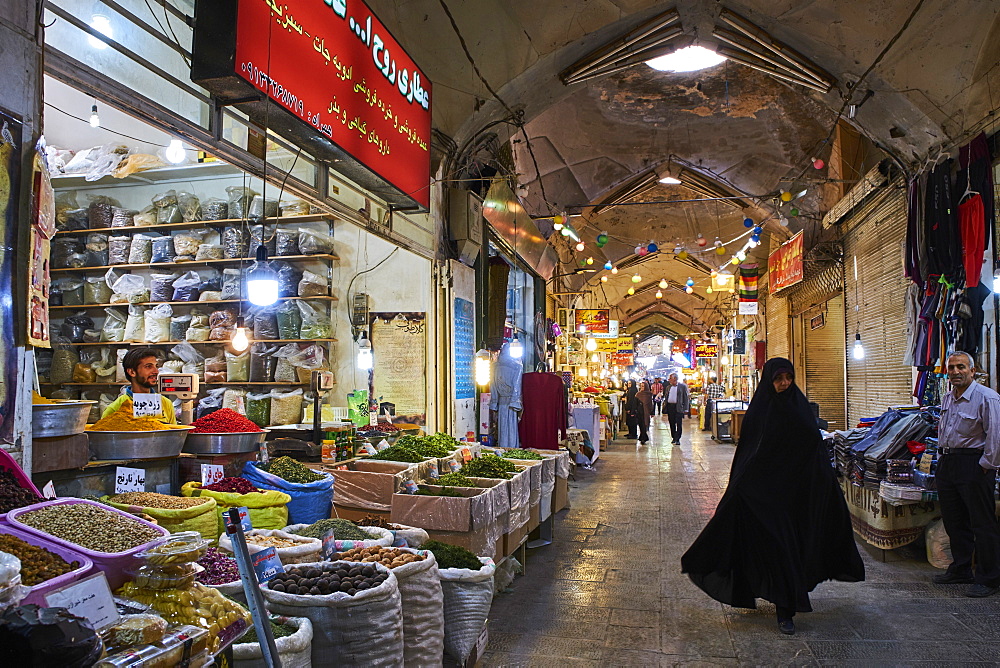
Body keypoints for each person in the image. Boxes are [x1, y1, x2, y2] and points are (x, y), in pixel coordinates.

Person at [681, 358, 864, 635]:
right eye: (779, 379)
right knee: (777, 547)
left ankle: (786, 609)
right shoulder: (759, 411)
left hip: (795, 496)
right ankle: (784, 607)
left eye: (788, 378)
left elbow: (813, 451)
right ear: (769, 380)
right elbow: (748, 453)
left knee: (790, 548)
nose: (784, 384)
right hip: (765, 496)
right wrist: (740, 487)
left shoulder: (800, 408)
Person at [932, 351, 1000, 597]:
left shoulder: (987, 398)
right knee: (954, 520)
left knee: (982, 523)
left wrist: (985, 465)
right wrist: (942, 460)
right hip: (949, 463)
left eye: (961, 367)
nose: (955, 372)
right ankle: (961, 569)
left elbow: (996, 436)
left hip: (973, 465)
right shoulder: (949, 397)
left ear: (972, 370)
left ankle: (989, 578)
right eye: (951, 368)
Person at [102, 348, 177, 424]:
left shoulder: (166, 403)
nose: (156, 371)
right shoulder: (115, 409)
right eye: (148, 366)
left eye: (156, 366)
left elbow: (174, 434)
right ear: (132, 372)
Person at [489, 342, 523, 449]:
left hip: (501, 401)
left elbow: (493, 387)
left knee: (502, 427)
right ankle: (512, 448)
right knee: (511, 427)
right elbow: (517, 386)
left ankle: (502, 448)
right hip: (510, 401)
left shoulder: (494, 367)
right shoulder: (517, 366)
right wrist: (515, 401)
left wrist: (494, 403)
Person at [663, 373, 690, 445]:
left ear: (674, 379)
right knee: (671, 422)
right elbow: (666, 396)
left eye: (670, 378)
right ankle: (674, 437)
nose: (669, 380)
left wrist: (686, 409)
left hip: (678, 407)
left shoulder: (682, 387)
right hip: (670, 407)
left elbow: (686, 398)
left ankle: (678, 438)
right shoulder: (668, 387)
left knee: (679, 423)